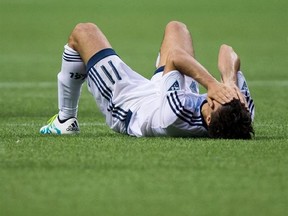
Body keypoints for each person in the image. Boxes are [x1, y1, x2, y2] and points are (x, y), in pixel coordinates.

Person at [40, 21, 255, 139]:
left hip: (132, 103)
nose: (223, 96)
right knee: (176, 27)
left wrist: (211, 84)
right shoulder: (240, 112)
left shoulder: (175, 117)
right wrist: (229, 82)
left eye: (217, 100)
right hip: (169, 94)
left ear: (208, 121)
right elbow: (227, 50)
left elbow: (175, 58)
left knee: (83, 32)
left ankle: (65, 120)